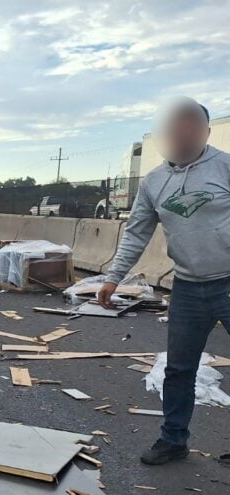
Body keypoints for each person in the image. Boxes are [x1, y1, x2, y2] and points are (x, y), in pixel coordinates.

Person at [99, 97, 230, 465]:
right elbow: (136, 233)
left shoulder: (224, 167)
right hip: (188, 288)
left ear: (206, 132)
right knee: (179, 369)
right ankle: (173, 440)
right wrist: (112, 278)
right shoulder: (155, 182)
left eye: (193, 127)